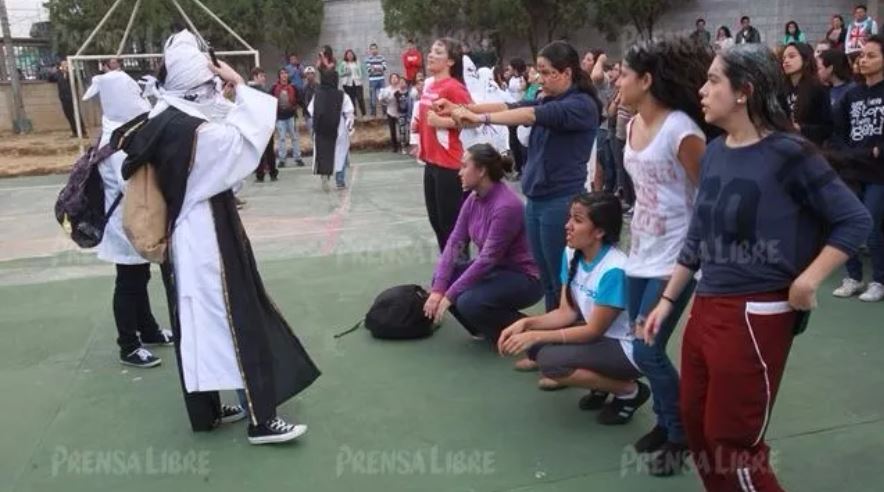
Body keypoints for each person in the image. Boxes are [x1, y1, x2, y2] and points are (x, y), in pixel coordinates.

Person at [642, 43, 871, 491]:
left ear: (744, 91)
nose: (702, 90)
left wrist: (809, 279)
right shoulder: (715, 152)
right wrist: (669, 299)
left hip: (755, 313)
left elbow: (854, 219)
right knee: (698, 425)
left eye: (713, 81)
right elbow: (699, 234)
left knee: (734, 441)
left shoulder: (790, 152)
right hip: (707, 308)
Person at [115, 29, 320, 444]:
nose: (215, 90)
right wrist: (243, 88)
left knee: (196, 322)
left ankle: (205, 412)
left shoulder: (162, 117)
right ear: (194, 86)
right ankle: (262, 419)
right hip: (206, 235)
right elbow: (243, 143)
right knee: (237, 316)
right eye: (209, 83)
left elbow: (216, 120)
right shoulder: (193, 135)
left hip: (186, 236)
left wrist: (228, 94)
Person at [441, 41, 602, 312]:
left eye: (546, 71)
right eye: (539, 71)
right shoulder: (549, 98)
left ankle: (562, 335)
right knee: (547, 275)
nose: (540, 78)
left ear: (566, 73)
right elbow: (509, 106)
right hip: (537, 199)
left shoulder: (580, 105)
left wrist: (478, 119)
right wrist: (462, 108)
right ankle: (551, 336)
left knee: (558, 278)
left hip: (560, 200)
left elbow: (528, 113)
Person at [615, 37, 712, 476]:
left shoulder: (681, 130)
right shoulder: (633, 124)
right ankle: (666, 420)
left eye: (624, 74)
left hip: (676, 257)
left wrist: (698, 257)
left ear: (647, 80)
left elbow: (709, 196)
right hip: (640, 252)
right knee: (642, 351)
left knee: (648, 349)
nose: (617, 80)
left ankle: (681, 435)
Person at [498, 193, 650, 418]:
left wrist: (537, 336)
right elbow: (566, 312)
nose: (567, 225)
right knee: (536, 346)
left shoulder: (614, 270)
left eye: (577, 220)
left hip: (626, 348)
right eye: (570, 218)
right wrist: (526, 323)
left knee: (550, 361)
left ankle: (629, 391)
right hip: (601, 339)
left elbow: (592, 330)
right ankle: (602, 384)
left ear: (599, 232)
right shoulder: (571, 253)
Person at [82, 58, 171, 368]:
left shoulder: (118, 131)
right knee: (129, 281)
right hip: (124, 223)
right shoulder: (118, 142)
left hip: (127, 220)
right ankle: (128, 345)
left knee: (138, 275)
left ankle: (147, 330)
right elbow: (131, 181)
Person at [424, 144, 542, 342]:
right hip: (497, 271)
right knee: (441, 279)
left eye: (464, 166)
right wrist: (438, 291)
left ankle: (531, 331)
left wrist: (449, 296)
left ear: (481, 171)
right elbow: (455, 242)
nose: (459, 172)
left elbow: (487, 259)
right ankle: (486, 329)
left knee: (468, 302)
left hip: (525, 277)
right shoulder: (473, 198)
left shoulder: (506, 206)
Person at [830, 35, 884, 302]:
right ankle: (853, 277)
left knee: (872, 225)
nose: (863, 60)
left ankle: (878, 281)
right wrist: (844, 153)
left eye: (871, 55)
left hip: (878, 172)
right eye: (862, 55)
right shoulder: (851, 93)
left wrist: (878, 150)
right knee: (846, 222)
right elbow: (837, 130)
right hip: (852, 169)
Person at [412, 38, 473, 251]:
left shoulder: (454, 87)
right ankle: (447, 272)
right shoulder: (430, 86)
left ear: (450, 62)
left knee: (452, 227)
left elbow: (472, 117)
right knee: (437, 223)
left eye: (438, 52)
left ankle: (460, 274)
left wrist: (442, 122)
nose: (430, 55)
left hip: (449, 165)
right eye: (430, 50)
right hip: (431, 163)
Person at [310, 68, 355, 191]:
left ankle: (325, 174)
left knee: (324, 153)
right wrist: (350, 127)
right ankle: (340, 180)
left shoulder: (317, 95)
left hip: (321, 128)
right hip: (338, 127)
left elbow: (311, 112)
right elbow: (349, 113)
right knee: (341, 153)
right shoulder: (342, 95)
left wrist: (313, 128)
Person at [781, 43, 833, 145]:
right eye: (783, 58)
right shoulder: (780, 89)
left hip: (807, 147)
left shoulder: (818, 89)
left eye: (792, 56)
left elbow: (828, 128)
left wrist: (801, 128)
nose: (786, 61)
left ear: (805, 59)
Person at [270, 69, 305, 168]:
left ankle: (298, 158)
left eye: (285, 73)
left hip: (291, 116)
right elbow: (269, 99)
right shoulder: (274, 88)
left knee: (294, 137)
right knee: (281, 138)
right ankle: (282, 159)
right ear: (279, 76)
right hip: (280, 117)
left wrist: (298, 107)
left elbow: (299, 99)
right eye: (282, 73)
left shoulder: (293, 87)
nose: (284, 75)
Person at [248, 67, 277, 183]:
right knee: (263, 150)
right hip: (259, 124)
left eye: (264, 76)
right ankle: (270, 173)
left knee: (264, 150)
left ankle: (264, 173)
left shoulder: (253, 91)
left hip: (263, 124)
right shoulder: (253, 91)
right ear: (255, 77)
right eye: (261, 76)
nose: (264, 78)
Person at [51, 60, 87, 138]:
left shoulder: (72, 73)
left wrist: (68, 72)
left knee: (77, 114)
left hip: (72, 97)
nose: (65, 66)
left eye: (66, 64)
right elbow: (50, 79)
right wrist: (53, 72)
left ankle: (83, 132)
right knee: (69, 116)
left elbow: (78, 78)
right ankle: (75, 132)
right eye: (63, 64)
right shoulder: (58, 74)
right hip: (63, 98)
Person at [378, 73, 404, 152]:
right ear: (390, 80)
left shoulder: (401, 88)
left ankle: (403, 146)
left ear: (398, 79)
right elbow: (381, 99)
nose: (394, 79)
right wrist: (384, 99)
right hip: (390, 111)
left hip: (400, 112)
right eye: (392, 78)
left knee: (402, 130)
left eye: (395, 77)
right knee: (392, 131)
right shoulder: (386, 90)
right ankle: (394, 147)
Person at [339, 49, 367, 118]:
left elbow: (363, 71)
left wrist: (361, 77)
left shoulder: (357, 62)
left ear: (353, 55)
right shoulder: (343, 63)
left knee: (360, 98)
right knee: (351, 99)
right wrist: (345, 73)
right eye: (348, 55)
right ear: (346, 56)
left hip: (357, 82)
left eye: (351, 54)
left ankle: (364, 114)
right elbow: (339, 73)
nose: (350, 56)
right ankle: (354, 114)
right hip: (348, 83)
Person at [366, 43, 388, 118]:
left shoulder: (382, 57)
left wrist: (374, 68)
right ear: (370, 50)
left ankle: (385, 113)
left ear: (377, 49)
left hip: (381, 79)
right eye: (372, 49)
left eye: (375, 48)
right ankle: (373, 114)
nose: (373, 50)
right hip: (372, 80)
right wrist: (379, 68)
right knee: (373, 97)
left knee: (383, 96)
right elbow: (369, 70)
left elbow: (384, 68)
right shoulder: (368, 59)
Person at [302, 66, 319, 134]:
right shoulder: (304, 88)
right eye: (307, 74)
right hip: (308, 115)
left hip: (318, 114)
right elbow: (303, 101)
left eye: (311, 73)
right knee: (312, 133)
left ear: (314, 75)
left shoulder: (319, 87)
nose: (309, 75)